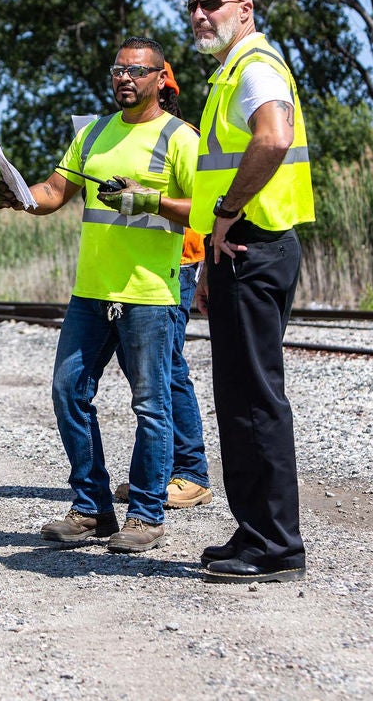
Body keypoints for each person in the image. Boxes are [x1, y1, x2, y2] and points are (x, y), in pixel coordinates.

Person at [0, 36, 197, 553]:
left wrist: (145, 199)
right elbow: (55, 192)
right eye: (117, 70)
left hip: (149, 294)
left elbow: (205, 207)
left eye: (137, 71)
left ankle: (147, 516)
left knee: (151, 406)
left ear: (159, 78)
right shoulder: (93, 134)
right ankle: (92, 510)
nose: (124, 78)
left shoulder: (180, 137)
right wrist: (21, 198)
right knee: (68, 393)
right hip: (91, 291)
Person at [186, 0, 315, 584]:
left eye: (212, 3)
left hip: (254, 244)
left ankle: (276, 546)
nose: (200, 14)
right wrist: (211, 257)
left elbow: (274, 138)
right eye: (193, 5)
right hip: (236, 250)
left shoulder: (255, 67)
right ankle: (253, 528)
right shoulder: (229, 73)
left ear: (245, 9)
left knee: (255, 398)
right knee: (236, 397)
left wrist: (228, 214)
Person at [113, 61, 212, 510]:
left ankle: (190, 473)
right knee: (152, 369)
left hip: (182, 261)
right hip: (153, 266)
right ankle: (162, 471)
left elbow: (202, 206)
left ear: (163, 88)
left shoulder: (180, 135)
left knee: (168, 368)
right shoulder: (131, 133)